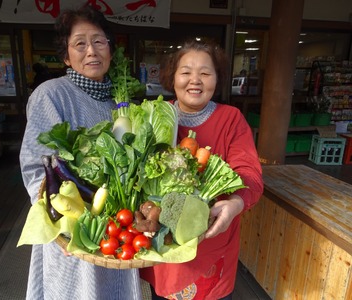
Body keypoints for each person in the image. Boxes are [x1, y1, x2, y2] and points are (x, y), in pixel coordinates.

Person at [19, 5, 143, 300]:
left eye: (99, 41)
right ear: (66, 56)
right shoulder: (51, 94)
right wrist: (68, 224)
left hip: (118, 226)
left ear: (111, 50)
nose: (92, 51)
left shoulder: (120, 101)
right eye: (80, 44)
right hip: (74, 227)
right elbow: (37, 166)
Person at [140, 40, 264, 299]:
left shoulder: (231, 119)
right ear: (171, 77)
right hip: (161, 241)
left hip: (210, 241)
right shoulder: (154, 116)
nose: (195, 80)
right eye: (186, 72)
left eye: (205, 73)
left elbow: (250, 174)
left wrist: (236, 204)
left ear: (217, 79)